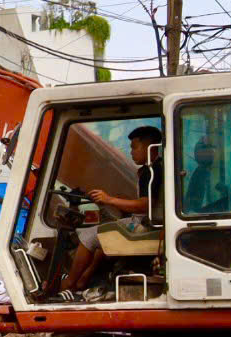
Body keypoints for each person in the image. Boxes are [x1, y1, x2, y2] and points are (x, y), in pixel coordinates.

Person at [60, 125, 165, 295]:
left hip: (147, 225)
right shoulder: (155, 168)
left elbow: (145, 205)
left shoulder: (151, 172)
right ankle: (84, 279)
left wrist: (110, 199)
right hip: (150, 222)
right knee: (104, 237)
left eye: (134, 147)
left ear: (149, 147)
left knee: (88, 236)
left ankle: (69, 283)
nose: (131, 152)